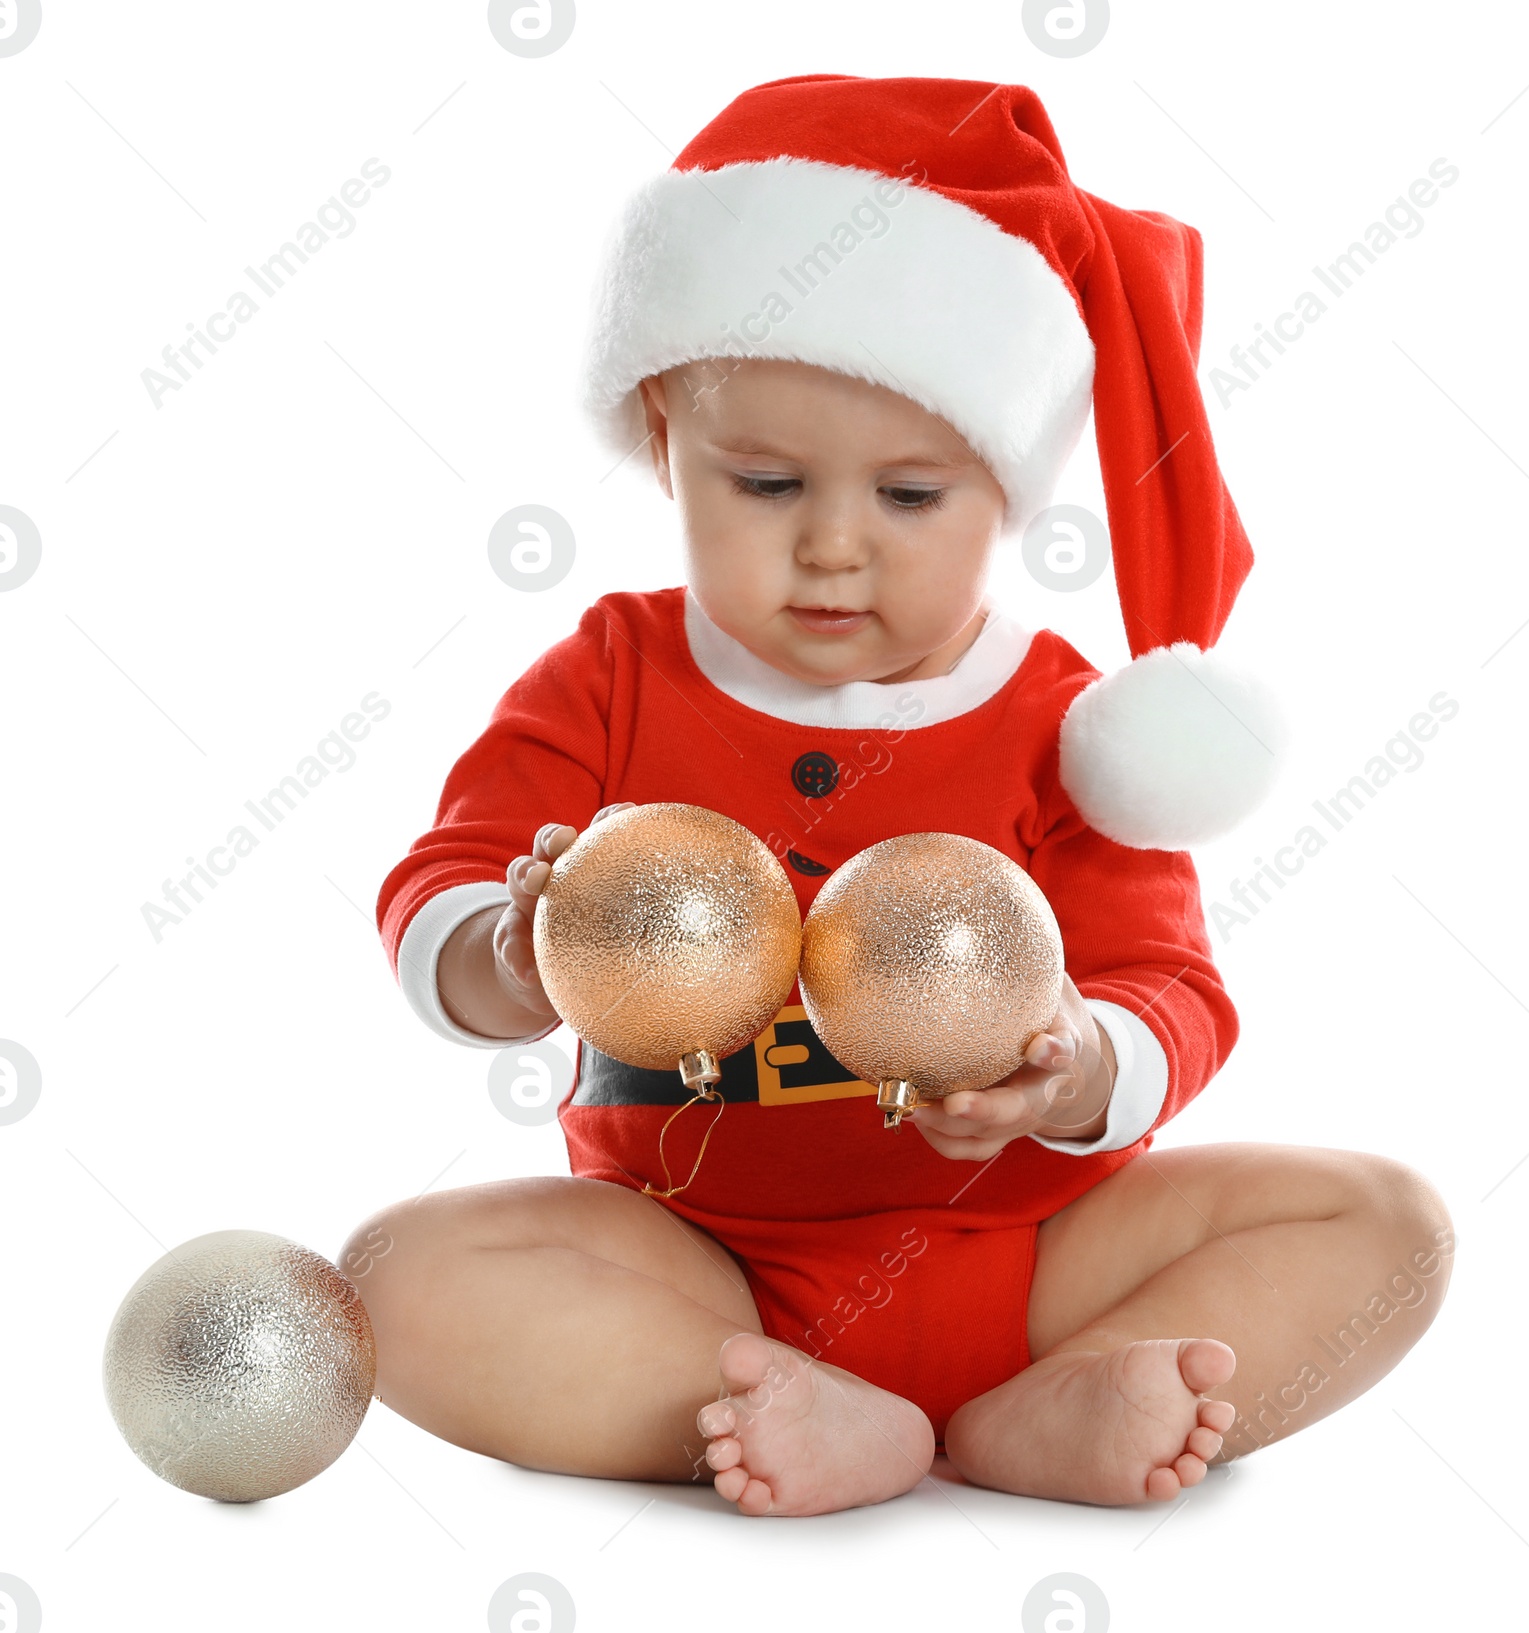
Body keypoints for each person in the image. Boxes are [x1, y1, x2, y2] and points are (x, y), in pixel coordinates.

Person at [344, 75, 1453, 1517]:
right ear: (666, 440)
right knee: (394, 1282)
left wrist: (1077, 1059)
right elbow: (444, 880)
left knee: (1385, 1226)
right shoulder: (609, 672)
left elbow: (1169, 983)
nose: (832, 551)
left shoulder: (1068, 720)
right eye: (767, 482)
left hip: (1040, 1252)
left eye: (911, 498)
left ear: (1009, 488)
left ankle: (1057, 1395)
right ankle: (750, 1399)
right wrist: (509, 946)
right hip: (694, 1258)